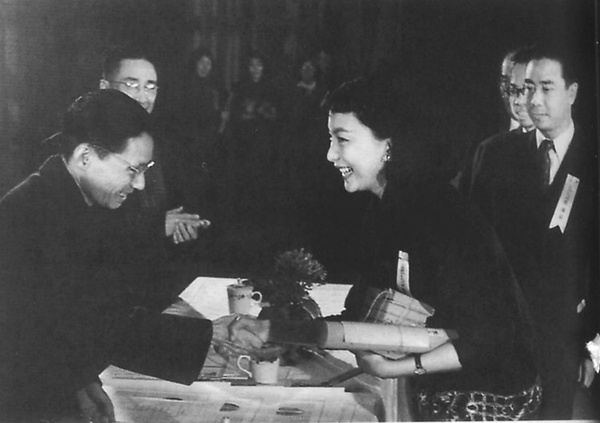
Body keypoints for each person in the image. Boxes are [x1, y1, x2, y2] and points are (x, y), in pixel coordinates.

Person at [0, 90, 264, 422]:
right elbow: (97, 323)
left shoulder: (68, 201)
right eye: (133, 169)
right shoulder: (34, 215)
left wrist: (81, 383)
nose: (139, 184)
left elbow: (64, 329)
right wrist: (210, 333)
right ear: (85, 156)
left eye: (146, 170)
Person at [322, 76, 541, 420]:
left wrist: (397, 368)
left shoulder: (440, 213)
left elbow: (490, 336)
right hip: (437, 384)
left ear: (388, 145)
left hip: (490, 391)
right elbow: (361, 312)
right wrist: (281, 333)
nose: (331, 154)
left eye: (342, 139)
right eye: (331, 139)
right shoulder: (382, 209)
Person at [466, 42, 598, 419]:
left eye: (546, 87)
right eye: (527, 88)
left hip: (564, 343)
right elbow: (472, 249)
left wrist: (591, 345)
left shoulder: (593, 159)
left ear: (572, 92)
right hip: (500, 339)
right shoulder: (496, 154)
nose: (533, 100)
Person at [100, 45, 206, 246]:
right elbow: (90, 230)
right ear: (104, 88)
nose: (142, 98)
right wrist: (156, 227)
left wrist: (185, 225)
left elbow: (178, 205)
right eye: (131, 85)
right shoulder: (85, 148)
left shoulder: (162, 144)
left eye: (150, 87)